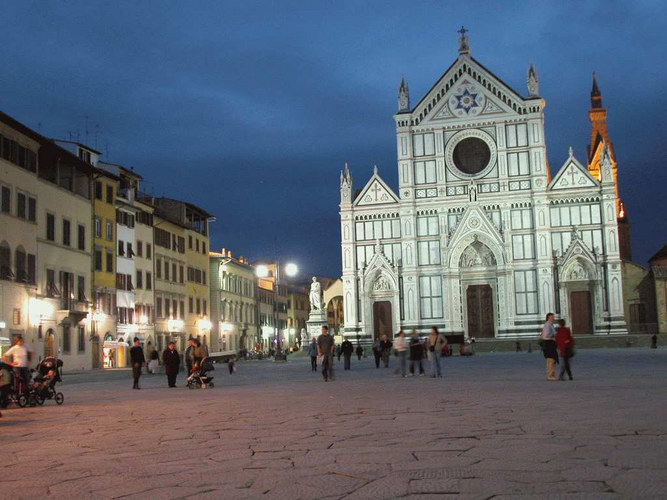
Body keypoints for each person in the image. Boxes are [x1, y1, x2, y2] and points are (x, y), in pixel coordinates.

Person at [540, 313, 558, 381]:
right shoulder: (548, 325)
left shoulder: (549, 324)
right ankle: (550, 375)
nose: (553, 318)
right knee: (551, 359)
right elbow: (545, 335)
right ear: (548, 318)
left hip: (549, 343)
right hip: (549, 343)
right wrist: (553, 336)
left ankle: (550, 374)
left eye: (553, 317)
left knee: (551, 359)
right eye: (552, 317)